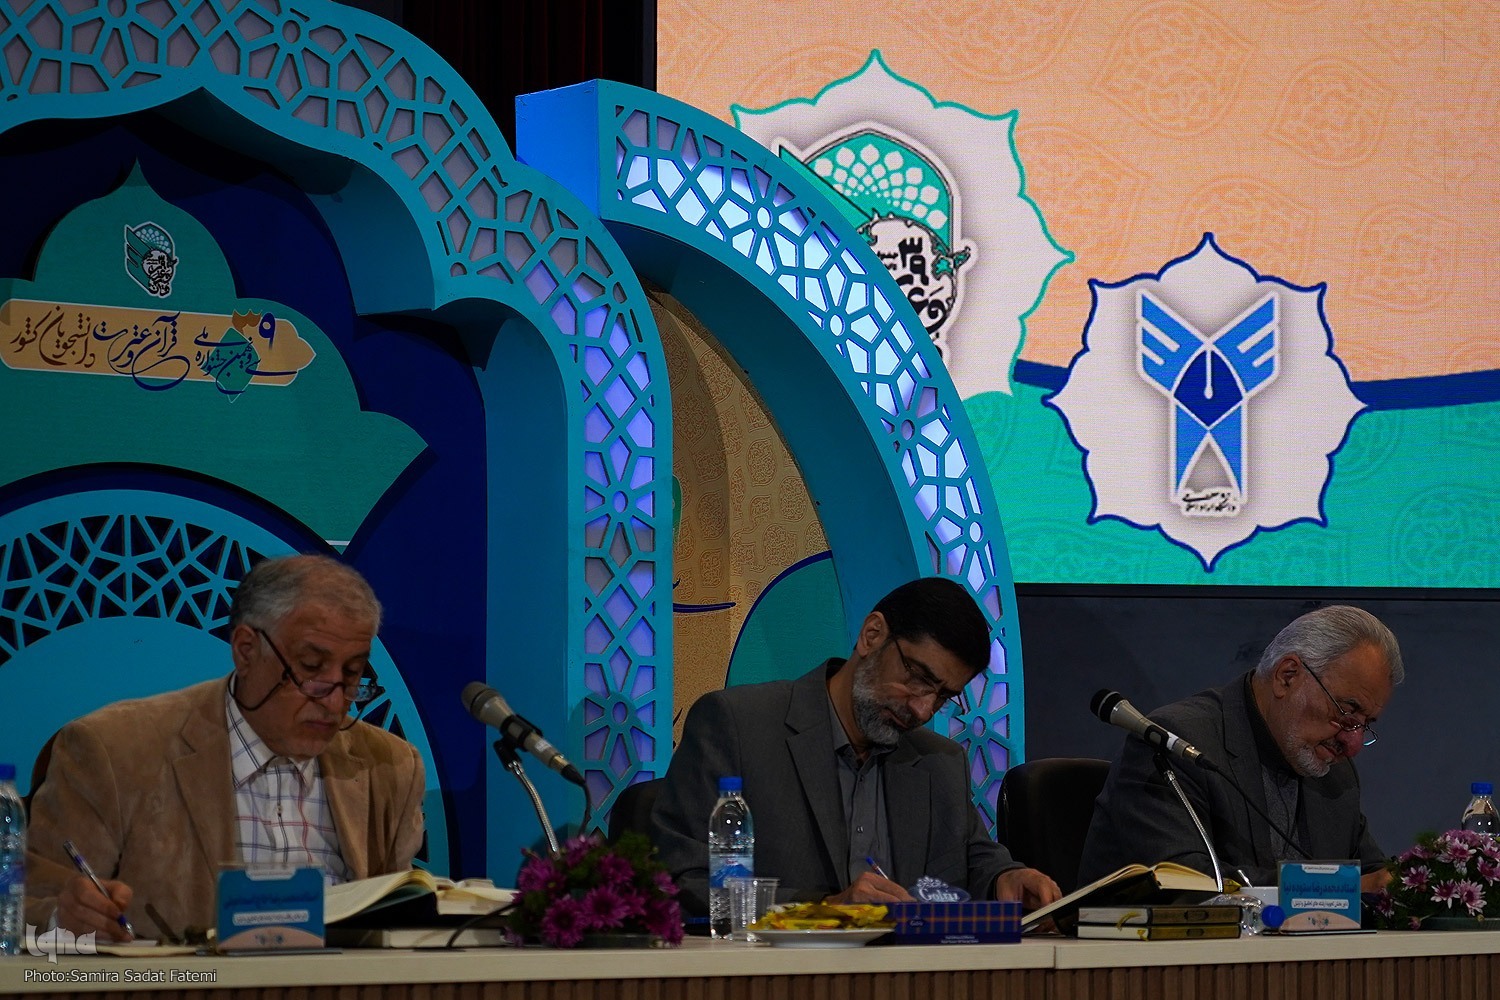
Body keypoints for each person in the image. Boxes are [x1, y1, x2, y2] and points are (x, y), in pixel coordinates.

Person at [24, 554, 425, 941]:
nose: (334, 701)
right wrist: (65, 917)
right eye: (310, 667)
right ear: (246, 650)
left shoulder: (389, 767)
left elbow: (397, 925)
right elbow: (24, 906)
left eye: (352, 674)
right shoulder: (114, 751)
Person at [652, 577, 1061, 914]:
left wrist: (1007, 877)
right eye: (918, 678)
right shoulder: (738, 727)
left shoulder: (939, 762)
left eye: (942, 696)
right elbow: (679, 878)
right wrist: (821, 910)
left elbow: (974, 860)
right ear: (872, 635)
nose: (922, 709)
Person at [1079, 605, 1401, 892]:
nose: (1352, 744)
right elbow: (1186, 882)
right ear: (1287, 676)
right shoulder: (1177, 745)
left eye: (1365, 724)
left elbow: (1374, 880)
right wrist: (1337, 886)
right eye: (1346, 712)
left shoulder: (1336, 775)